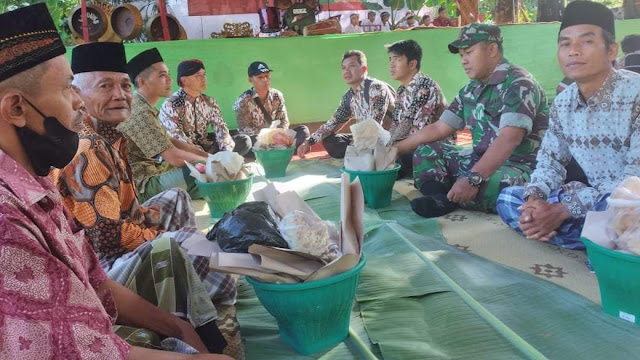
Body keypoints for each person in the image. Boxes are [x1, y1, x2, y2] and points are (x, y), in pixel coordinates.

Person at [0, 4, 231, 359]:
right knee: (171, 250)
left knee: (176, 224)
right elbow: (88, 348)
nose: (78, 102)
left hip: (108, 268)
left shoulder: (35, 179)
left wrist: (175, 327)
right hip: (111, 267)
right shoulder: (8, 220)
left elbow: (89, 274)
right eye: (68, 89)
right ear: (16, 109)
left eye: (124, 86)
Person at [57, 43, 237, 333]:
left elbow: (128, 212)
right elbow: (108, 238)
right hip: (103, 273)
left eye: (124, 86)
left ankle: (189, 285)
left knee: (176, 200)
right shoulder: (87, 147)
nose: (119, 95)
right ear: (78, 94)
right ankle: (215, 316)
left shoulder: (112, 134)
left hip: (119, 237)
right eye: (105, 86)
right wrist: (163, 235)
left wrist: (152, 223)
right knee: (188, 244)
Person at [497, 1, 640, 249]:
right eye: (565, 43)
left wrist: (563, 209)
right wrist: (535, 199)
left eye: (586, 41)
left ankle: (589, 238)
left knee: (629, 209)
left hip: (629, 199)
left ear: (611, 51)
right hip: (595, 202)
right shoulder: (563, 103)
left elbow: (633, 181)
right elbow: (550, 160)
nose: (573, 51)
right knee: (509, 198)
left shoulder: (636, 95)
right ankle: (595, 241)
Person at [395, 23, 549, 218]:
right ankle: (439, 198)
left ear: (492, 49)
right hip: (479, 159)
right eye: (461, 56)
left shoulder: (519, 84)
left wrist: (473, 179)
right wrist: (397, 149)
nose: (463, 61)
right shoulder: (471, 88)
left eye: (468, 53)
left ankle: (453, 192)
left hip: (519, 167)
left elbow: (509, 140)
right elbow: (440, 127)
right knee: (426, 150)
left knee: (495, 186)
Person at [118, 58, 210, 203]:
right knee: (206, 171)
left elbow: (171, 141)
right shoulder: (139, 110)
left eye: (168, 74)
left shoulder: (144, 106)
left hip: (157, 171)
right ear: (142, 81)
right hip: (142, 187)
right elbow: (174, 157)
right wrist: (211, 162)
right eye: (162, 75)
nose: (169, 79)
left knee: (208, 177)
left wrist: (209, 156)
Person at [297, 50, 396, 159]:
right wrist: (308, 142)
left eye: (351, 66)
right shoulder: (348, 96)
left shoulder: (376, 88)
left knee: (369, 143)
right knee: (330, 141)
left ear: (363, 69)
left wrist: (354, 146)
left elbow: (373, 125)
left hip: (385, 139)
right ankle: (358, 153)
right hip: (363, 139)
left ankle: (359, 154)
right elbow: (333, 123)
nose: (346, 71)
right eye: (343, 68)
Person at [160, 59, 251, 157]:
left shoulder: (209, 102)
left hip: (208, 150)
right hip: (186, 154)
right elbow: (178, 140)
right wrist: (206, 157)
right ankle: (214, 164)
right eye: (198, 76)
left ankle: (217, 163)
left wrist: (227, 152)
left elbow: (221, 129)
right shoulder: (171, 104)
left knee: (244, 141)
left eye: (204, 74)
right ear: (184, 80)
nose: (204, 79)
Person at [387, 40, 448, 179]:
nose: (391, 64)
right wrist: (386, 145)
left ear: (412, 64)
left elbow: (411, 126)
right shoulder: (402, 90)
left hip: (430, 147)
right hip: (408, 144)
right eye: (391, 59)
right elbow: (396, 124)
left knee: (392, 163)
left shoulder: (424, 86)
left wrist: (390, 149)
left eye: (397, 59)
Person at [233, 61, 309, 154]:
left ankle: (277, 151)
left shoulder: (277, 95)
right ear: (250, 80)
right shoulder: (243, 101)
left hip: (278, 138)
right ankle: (283, 151)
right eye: (260, 77)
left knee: (303, 131)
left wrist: (281, 135)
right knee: (245, 141)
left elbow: (284, 121)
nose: (265, 80)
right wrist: (268, 138)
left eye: (267, 76)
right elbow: (245, 129)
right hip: (259, 141)